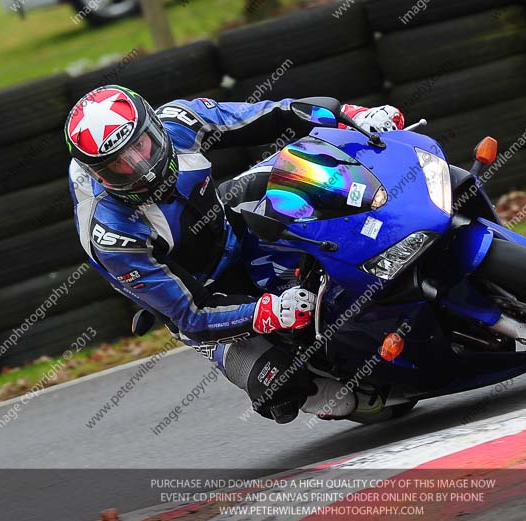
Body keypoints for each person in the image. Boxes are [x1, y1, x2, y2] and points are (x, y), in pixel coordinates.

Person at [65, 85, 404, 423]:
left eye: (141, 148)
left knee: (315, 173)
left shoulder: (181, 121)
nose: (143, 169)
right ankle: (323, 387)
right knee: (280, 386)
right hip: (203, 294)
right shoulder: (112, 234)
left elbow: (274, 114)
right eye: (119, 167)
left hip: (227, 222)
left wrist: (350, 115)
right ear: (99, 175)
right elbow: (191, 314)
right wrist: (268, 312)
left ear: (154, 126)